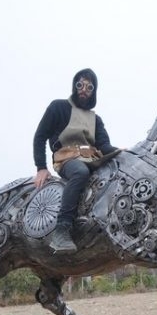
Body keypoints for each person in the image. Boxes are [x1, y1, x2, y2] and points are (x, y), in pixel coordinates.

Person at [33, 68, 119, 253]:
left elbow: (105, 146)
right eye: (80, 84)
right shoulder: (58, 107)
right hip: (67, 158)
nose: (83, 89)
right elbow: (40, 137)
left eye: (89, 87)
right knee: (80, 172)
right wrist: (41, 167)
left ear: (93, 91)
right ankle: (62, 229)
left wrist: (124, 153)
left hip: (92, 158)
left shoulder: (96, 120)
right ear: (74, 85)